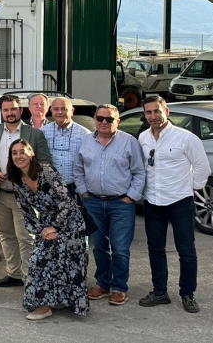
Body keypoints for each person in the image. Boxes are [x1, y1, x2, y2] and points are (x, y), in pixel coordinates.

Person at [137, 96, 210, 313]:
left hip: (180, 202)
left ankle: (187, 294)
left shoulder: (186, 138)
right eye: (148, 112)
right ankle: (160, 292)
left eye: (157, 111)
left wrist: (190, 188)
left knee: (186, 250)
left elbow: (202, 168)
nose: (153, 116)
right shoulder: (143, 138)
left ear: (166, 112)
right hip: (152, 202)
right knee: (155, 249)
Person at [7, 139, 89, 320]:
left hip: (69, 221)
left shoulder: (46, 170)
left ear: (31, 154)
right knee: (38, 260)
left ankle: (63, 301)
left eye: (23, 151)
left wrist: (55, 226)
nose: (19, 156)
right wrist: (40, 230)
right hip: (46, 225)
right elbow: (26, 211)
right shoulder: (17, 180)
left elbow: (67, 201)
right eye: (14, 153)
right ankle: (43, 305)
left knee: (69, 262)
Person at [75, 104, 146, 306]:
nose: (104, 122)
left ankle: (120, 287)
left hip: (121, 204)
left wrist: (130, 197)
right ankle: (103, 283)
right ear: (95, 119)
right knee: (99, 248)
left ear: (118, 121)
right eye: (100, 118)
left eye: (109, 119)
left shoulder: (129, 142)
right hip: (94, 203)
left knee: (120, 248)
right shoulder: (86, 141)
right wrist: (84, 192)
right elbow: (78, 169)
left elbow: (140, 172)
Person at [0, 95, 52, 289]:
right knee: (5, 235)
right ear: (1, 112)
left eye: (13, 109)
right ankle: (13, 273)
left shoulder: (35, 134)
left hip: (25, 196)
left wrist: (25, 175)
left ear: (21, 110)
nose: (10, 113)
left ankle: (30, 277)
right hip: (0, 194)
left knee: (26, 238)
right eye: (5, 110)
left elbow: (46, 163)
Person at [41, 97, 91, 197]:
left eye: (64, 109)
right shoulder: (43, 132)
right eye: (56, 109)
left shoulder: (85, 134)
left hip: (75, 190)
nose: (60, 112)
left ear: (72, 111)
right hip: (49, 189)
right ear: (51, 110)